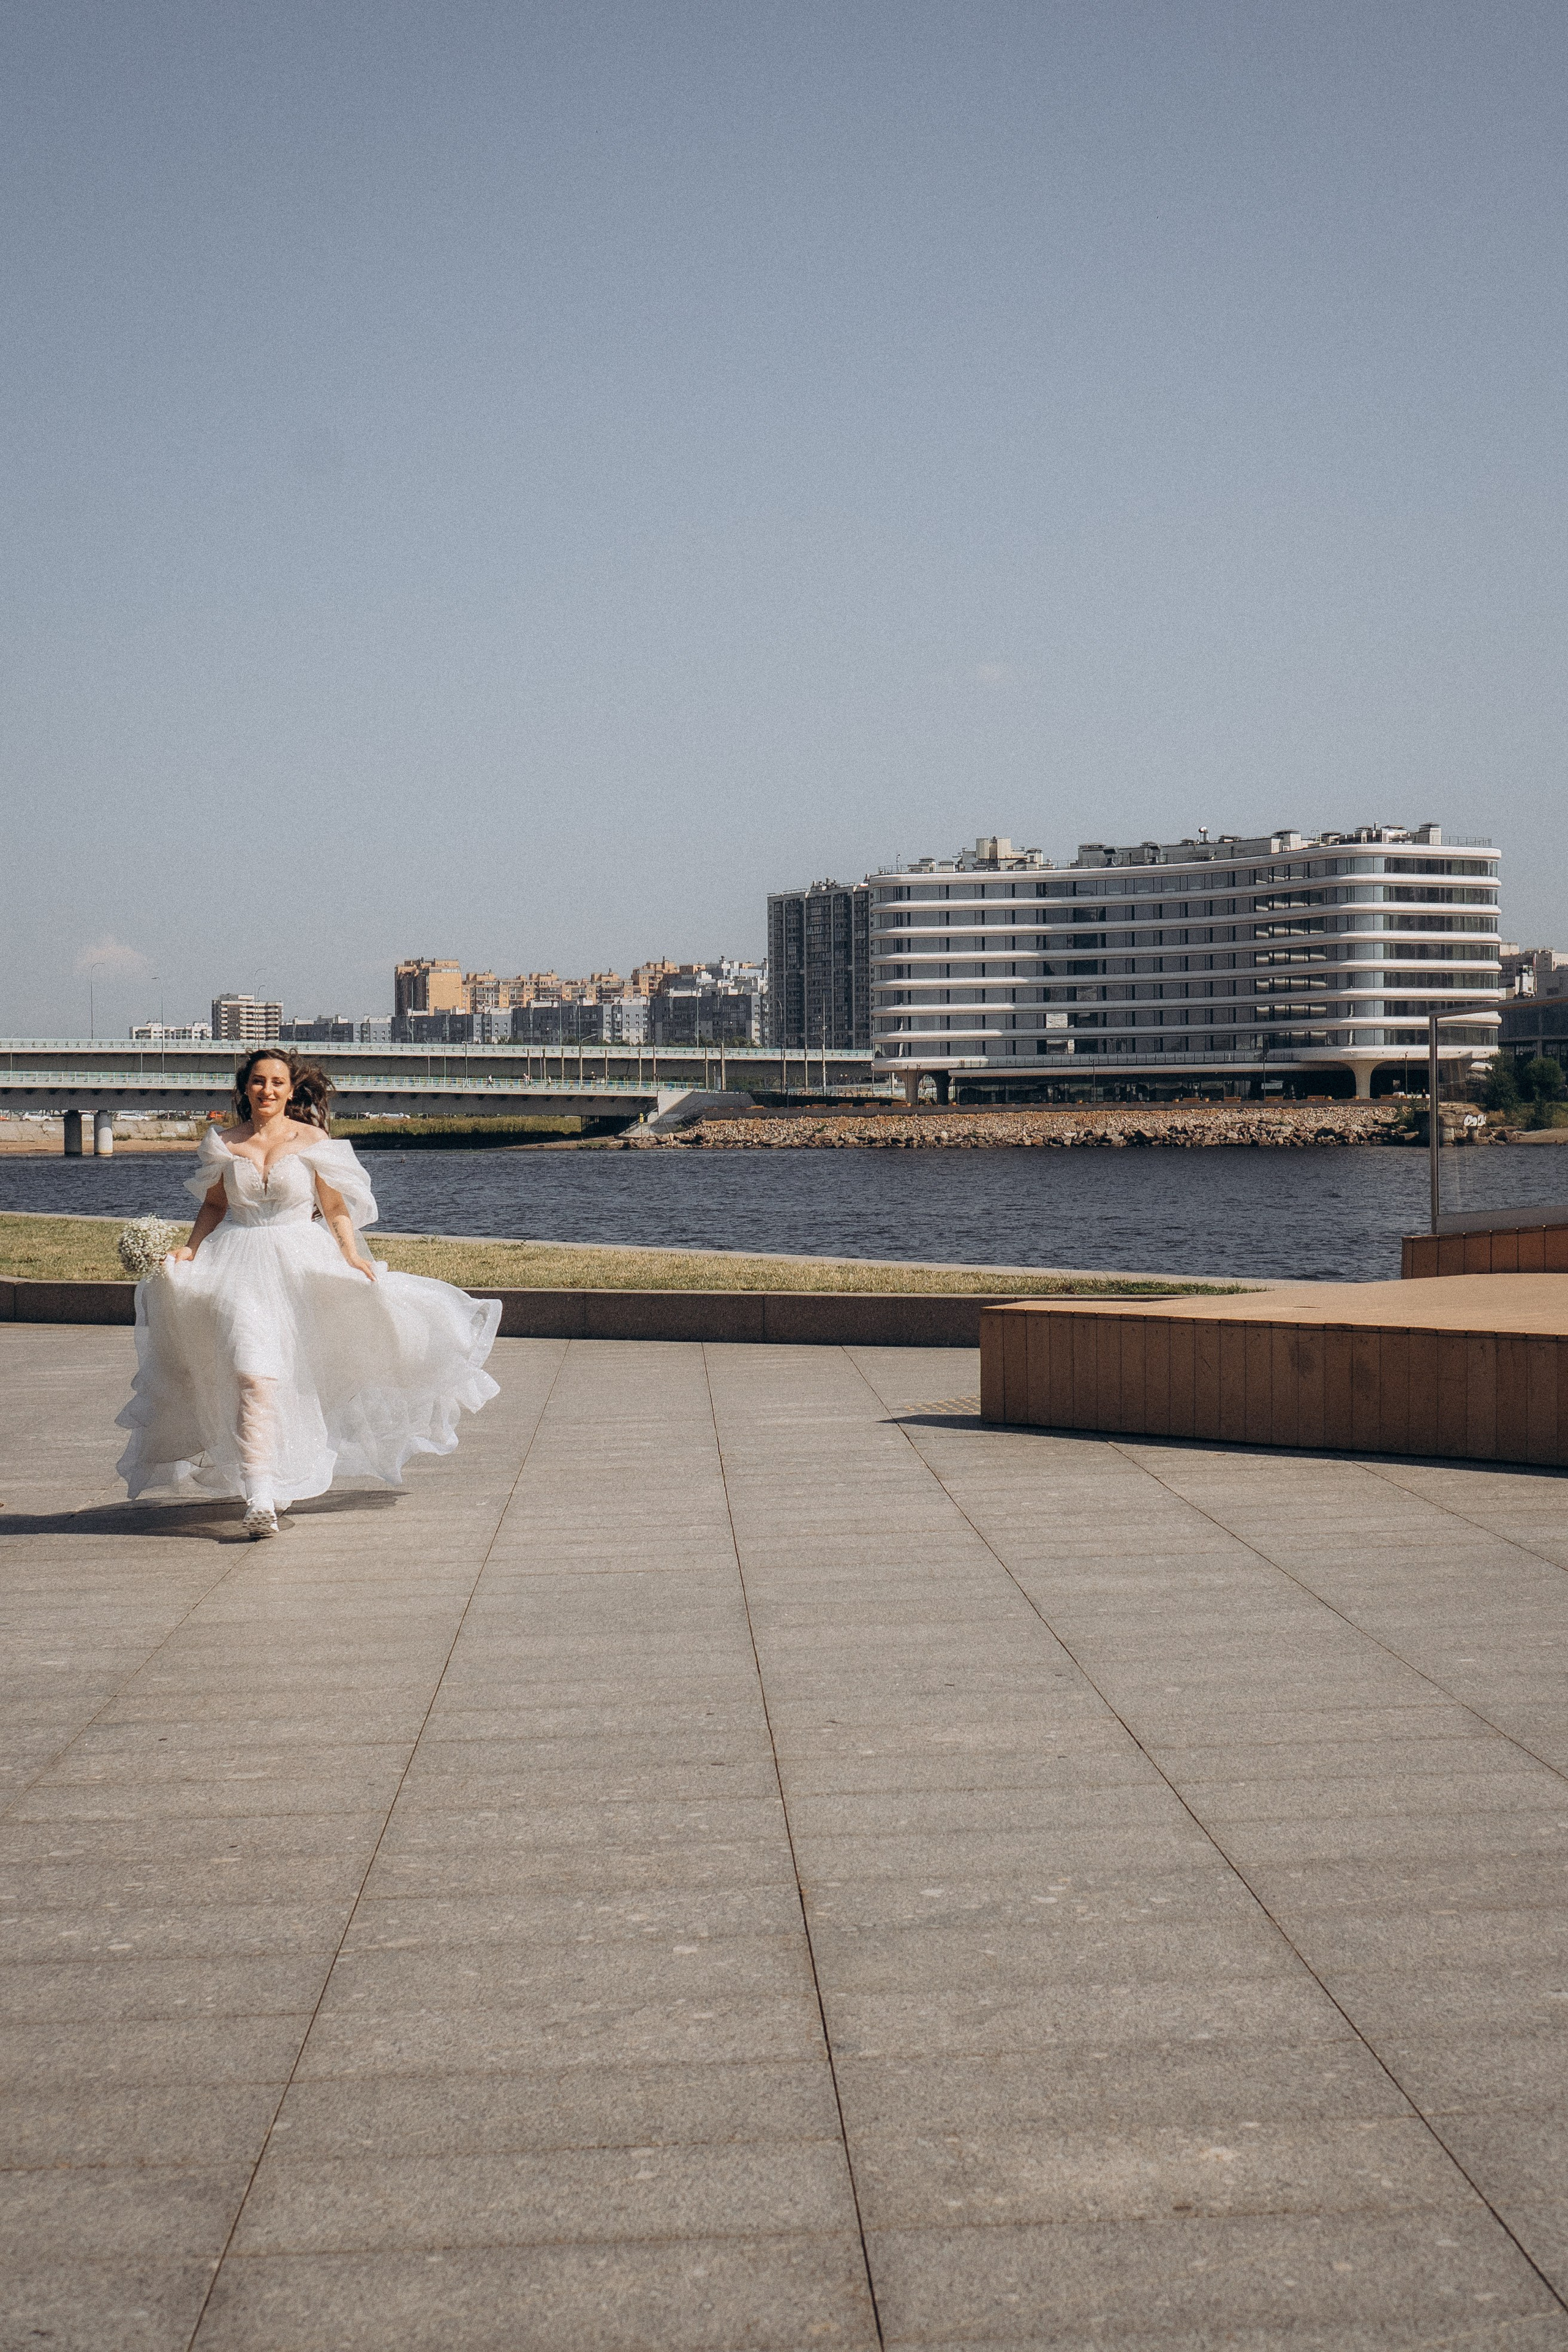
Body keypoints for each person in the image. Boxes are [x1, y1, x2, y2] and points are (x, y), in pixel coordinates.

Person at [116, 1047, 500, 1536]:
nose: (267, 1090)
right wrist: (190, 1249)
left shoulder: (313, 1141)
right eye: (258, 1081)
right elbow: (214, 1206)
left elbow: (335, 1207)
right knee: (251, 1374)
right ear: (245, 1088)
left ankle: (276, 1474)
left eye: (277, 1082)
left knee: (289, 1375)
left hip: (299, 1262)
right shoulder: (223, 1143)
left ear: (291, 1089)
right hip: (236, 1264)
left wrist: (352, 1255)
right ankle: (259, 1494)